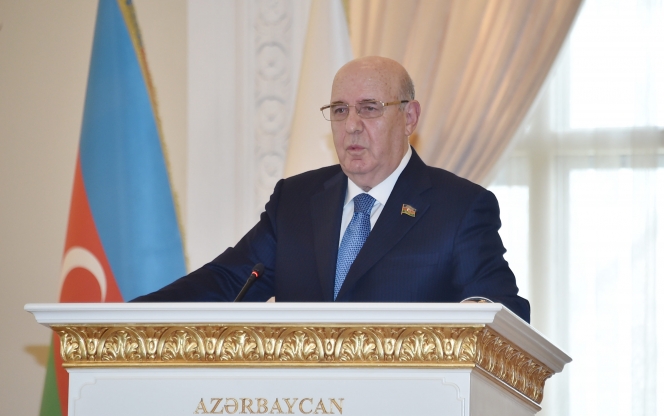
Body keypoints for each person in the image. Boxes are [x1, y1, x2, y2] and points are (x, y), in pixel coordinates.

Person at [133, 56, 530, 322]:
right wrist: (128, 318)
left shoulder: (459, 207)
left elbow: (503, 309)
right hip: (302, 414)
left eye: (369, 108)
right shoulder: (295, 201)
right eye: (340, 110)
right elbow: (226, 281)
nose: (351, 125)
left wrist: (473, 316)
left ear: (409, 117)